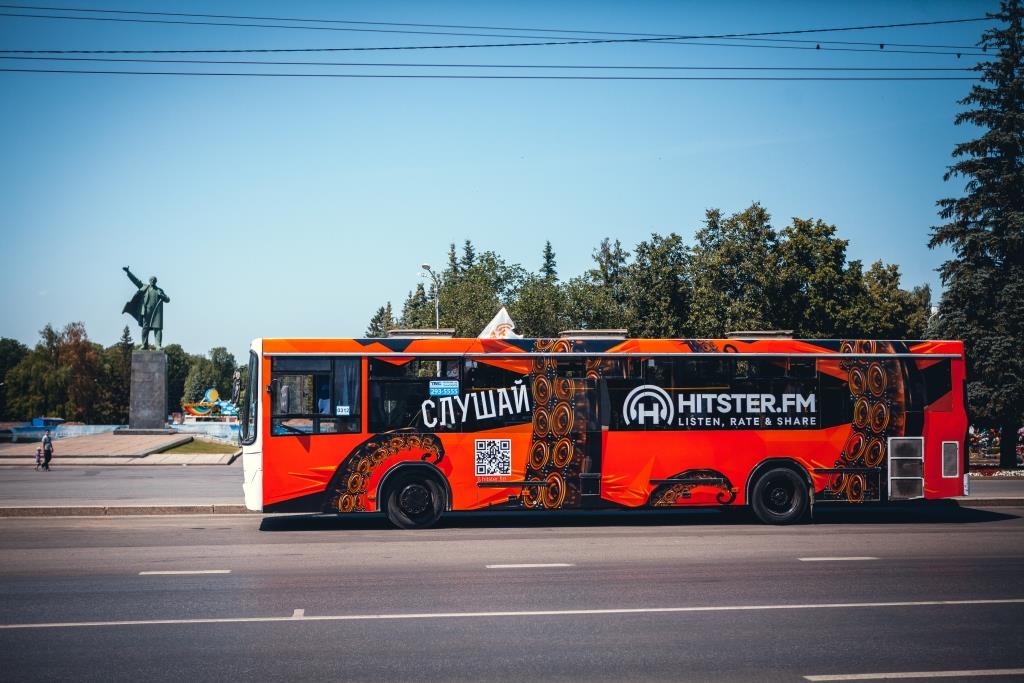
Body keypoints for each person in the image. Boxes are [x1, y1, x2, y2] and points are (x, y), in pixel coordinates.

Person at [122, 266, 171, 350]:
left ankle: (158, 345)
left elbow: (168, 300)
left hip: (156, 312)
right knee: (145, 328)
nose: (152, 281)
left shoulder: (159, 290)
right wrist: (128, 272)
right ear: (149, 281)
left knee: (158, 329)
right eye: (151, 280)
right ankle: (144, 345)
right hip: (146, 311)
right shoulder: (144, 287)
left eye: (154, 280)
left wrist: (163, 296)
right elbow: (136, 281)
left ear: (156, 281)